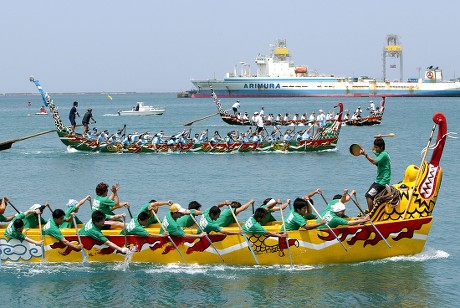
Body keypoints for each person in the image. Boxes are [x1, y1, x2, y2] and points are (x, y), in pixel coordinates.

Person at [360, 138, 391, 211]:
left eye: (377, 147)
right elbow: (373, 150)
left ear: (382, 147)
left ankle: (372, 215)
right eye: (375, 146)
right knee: (374, 197)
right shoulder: (381, 153)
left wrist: (365, 155)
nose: (375, 149)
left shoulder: (383, 154)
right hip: (379, 180)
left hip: (382, 181)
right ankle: (375, 211)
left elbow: (374, 162)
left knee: (369, 196)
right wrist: (379, 138)